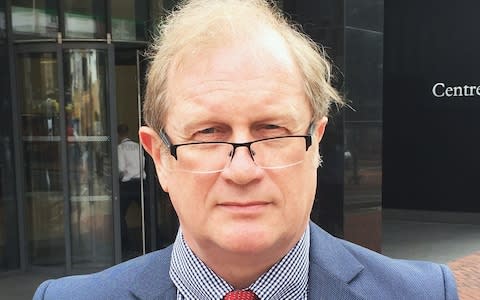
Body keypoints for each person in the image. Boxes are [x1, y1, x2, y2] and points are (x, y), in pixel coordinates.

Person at [33, 0, 458, 299]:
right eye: (208, 133)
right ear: (159, 156)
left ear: (316, 145)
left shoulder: (424, 294)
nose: (241, 170)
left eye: (271, 130)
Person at [117, 124, 146, 256]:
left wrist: (119, 177)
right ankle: (154, 242)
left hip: (127, 184)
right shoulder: (137, 146)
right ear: (128, 132)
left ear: (118, 134)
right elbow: (143, 162)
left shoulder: (120, 148)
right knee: (147, 214)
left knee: (120, 215)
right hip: (141, 182)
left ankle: (125, 245)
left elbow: (121, 168)